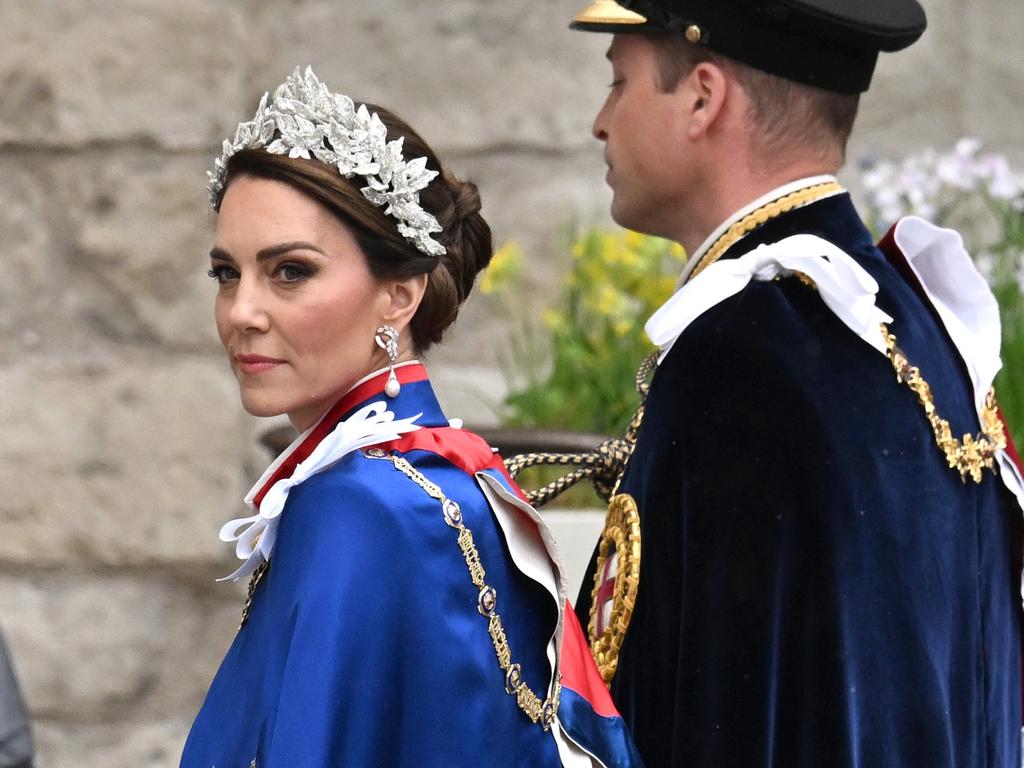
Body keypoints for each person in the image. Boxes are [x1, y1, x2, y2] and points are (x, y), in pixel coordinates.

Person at [566, 1, 1024, 765]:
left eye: (620, 82)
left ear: (704, 97)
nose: (600, 121)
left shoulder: (742, 350)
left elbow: (696, 711)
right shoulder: (922, 318)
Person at [179, 67, 641, 768]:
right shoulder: (428, 478)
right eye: (226, 273)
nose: (242, 311)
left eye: (290, 271)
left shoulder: (364, 504)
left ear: (399, 296)